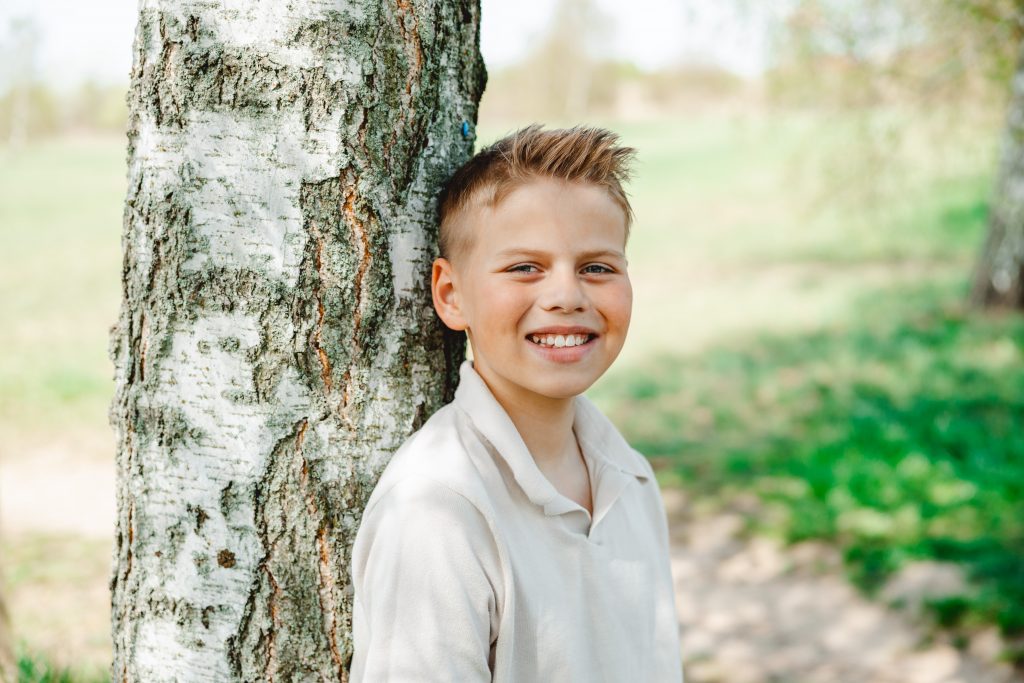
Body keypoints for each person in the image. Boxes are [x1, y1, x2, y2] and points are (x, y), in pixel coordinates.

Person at [349, 124, 684, 682]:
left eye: (597, 267)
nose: (566, 296)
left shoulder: (631, 478)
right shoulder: (438, 510)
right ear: (451, 295)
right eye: (524, 267)